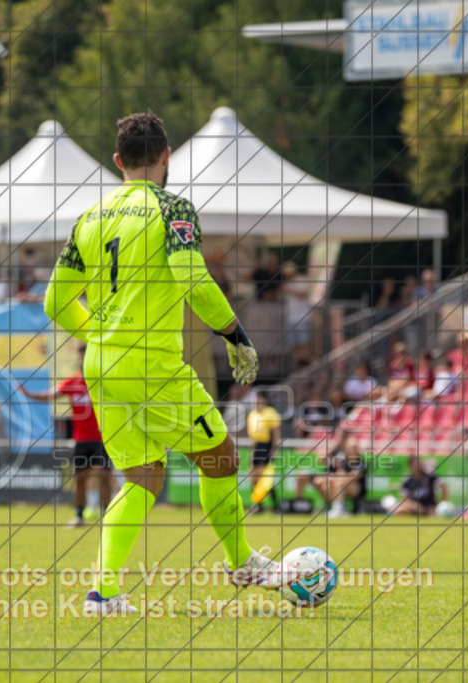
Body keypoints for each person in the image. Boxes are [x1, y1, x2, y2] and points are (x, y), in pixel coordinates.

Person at [43, 112, 309, 616]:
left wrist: (101, 335)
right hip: (152, 365)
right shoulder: (172, 209)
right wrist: (235, 335)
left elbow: (56, 303)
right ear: (166, 157)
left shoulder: (89, 218)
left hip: (101, 364)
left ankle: (103, 594)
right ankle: (241, 562)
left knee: (141, 476)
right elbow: (195, 281)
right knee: (223, 459)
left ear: (118, 161)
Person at [18, 345, 114, 528]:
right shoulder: (73, 382)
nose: (84, 360)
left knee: (105, 476)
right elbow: (50, 395)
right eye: (82, 357)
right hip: (81, 440)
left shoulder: (103, 382)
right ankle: (79, 516)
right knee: (80, 479)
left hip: (102, 439)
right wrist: (29, 394)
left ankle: (106, 517)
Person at [294, 431, 366, 518]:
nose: (350, 450)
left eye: (353, 448)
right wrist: (335, 447)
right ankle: (300, 506)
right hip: (336, 482)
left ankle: (340, 509)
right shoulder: (341, 457)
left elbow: (353, 477)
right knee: (321, 481)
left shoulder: (359, 461)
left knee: (336, 482)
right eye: (349, 448)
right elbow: (321, 458)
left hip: (354, 488)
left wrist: (336, 475)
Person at [245, 391, 282, 513]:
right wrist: (251, 452)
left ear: (264, 400)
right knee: (254, 477)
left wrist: (274, 449)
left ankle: (276, 506)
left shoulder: (270, 413)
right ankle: (258, 504)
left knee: (265, 478)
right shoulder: (252, 415)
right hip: (256, 447)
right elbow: (252, 437)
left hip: (266, 446)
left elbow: (276, 433)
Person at [281, 262, 311, 367]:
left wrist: (289, 290)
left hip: (302, 317)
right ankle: (298, 367)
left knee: (303, 343)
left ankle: (306, 366)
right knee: (294, 345)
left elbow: (303, 294)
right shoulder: (286, 284)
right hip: (291, 318)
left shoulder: (302, 280)